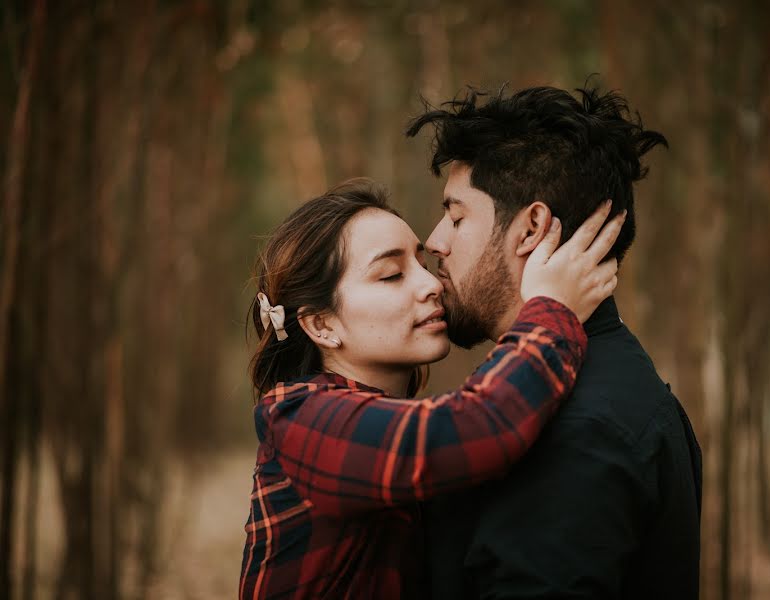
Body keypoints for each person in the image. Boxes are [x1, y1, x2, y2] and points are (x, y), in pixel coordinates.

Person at [238, 178, 624, 599]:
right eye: (390, 275)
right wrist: (552, 311)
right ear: (322, 325)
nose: (432, 284)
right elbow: (477, 426)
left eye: (421, 264)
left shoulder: (385, 419)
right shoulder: (300, 421)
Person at [408, 82, 703, 599]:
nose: (434, 240)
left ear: (532, 228)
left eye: (456, 216)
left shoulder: (573, 427)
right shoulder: (604, 382)